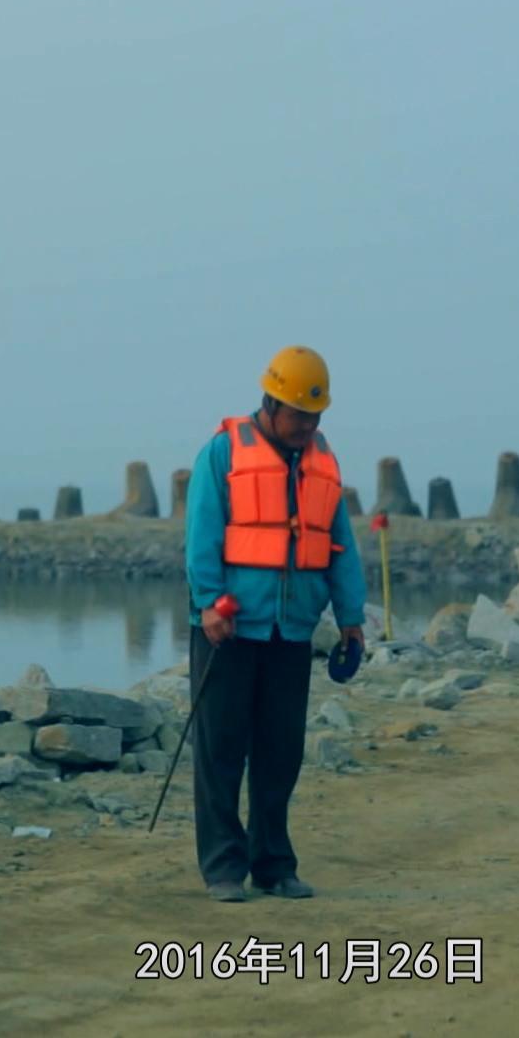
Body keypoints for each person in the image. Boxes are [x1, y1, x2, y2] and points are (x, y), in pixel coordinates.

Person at [183, 345, 368, 903]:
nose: (308, 426)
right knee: (221, 752)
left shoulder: (322, 461)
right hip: (229, 630)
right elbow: (201, 532)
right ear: (271, 404)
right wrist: (208, 602)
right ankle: (223, 868)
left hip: (291, 631)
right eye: (299, 416)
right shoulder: (222, 453)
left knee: (280, 753)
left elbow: (340, 544)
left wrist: (351, 618)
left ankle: (274, 865)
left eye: (316, 416)